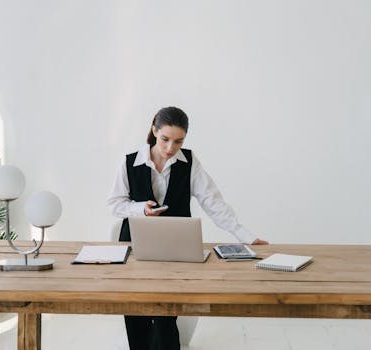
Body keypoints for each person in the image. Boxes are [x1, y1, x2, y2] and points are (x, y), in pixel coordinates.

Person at [107, 106, 268, 350]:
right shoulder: (129, 161)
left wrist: (247, 236)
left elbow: (214, 204)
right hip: (135, 246)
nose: (170, 148)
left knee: (166, 314)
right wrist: (141, 209)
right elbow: (115, 204)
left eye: (178, 141)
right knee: (135, 309)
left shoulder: (190, 163)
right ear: (154, 130)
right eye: (165, 139)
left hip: (175, 249)